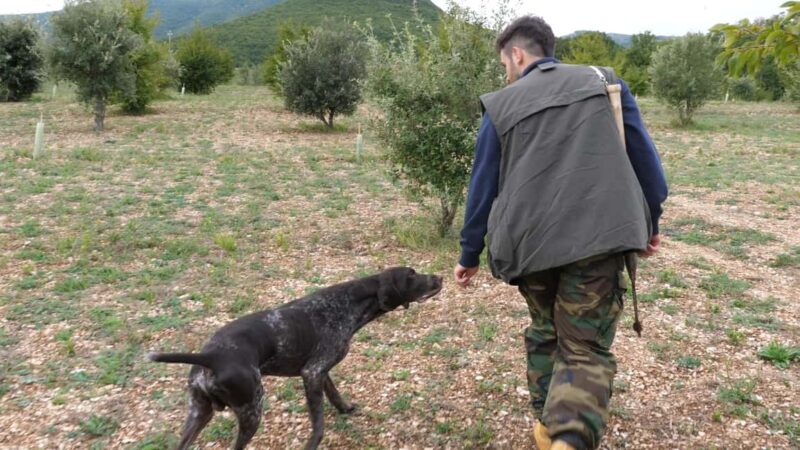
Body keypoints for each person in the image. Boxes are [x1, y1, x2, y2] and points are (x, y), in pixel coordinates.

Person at [452, 16, 668, 450]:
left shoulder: (501, 104)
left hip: (530, 247)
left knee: (545, 331)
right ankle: (569, 437)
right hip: (601, 237)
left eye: (504, 64)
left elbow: (482, 187)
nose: (505, 73)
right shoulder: (605, 83)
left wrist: (469, 252)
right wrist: (651, 221)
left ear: (517, 54)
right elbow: (646, 162)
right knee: (583, 345)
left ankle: (549, 430)